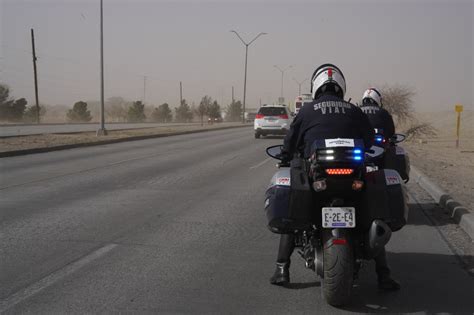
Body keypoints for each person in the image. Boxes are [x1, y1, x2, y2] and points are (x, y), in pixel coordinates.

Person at [270, 64, 400, 291]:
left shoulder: (307, 110)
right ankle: (383, 274)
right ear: (340, 86)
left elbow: (290, 143)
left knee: (295, 212)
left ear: (317, 85)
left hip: (318, 176)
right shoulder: (353, 110)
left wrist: (285, 157)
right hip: (352, 177)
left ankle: (282, 269)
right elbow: (369, 141)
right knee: (372, 215)